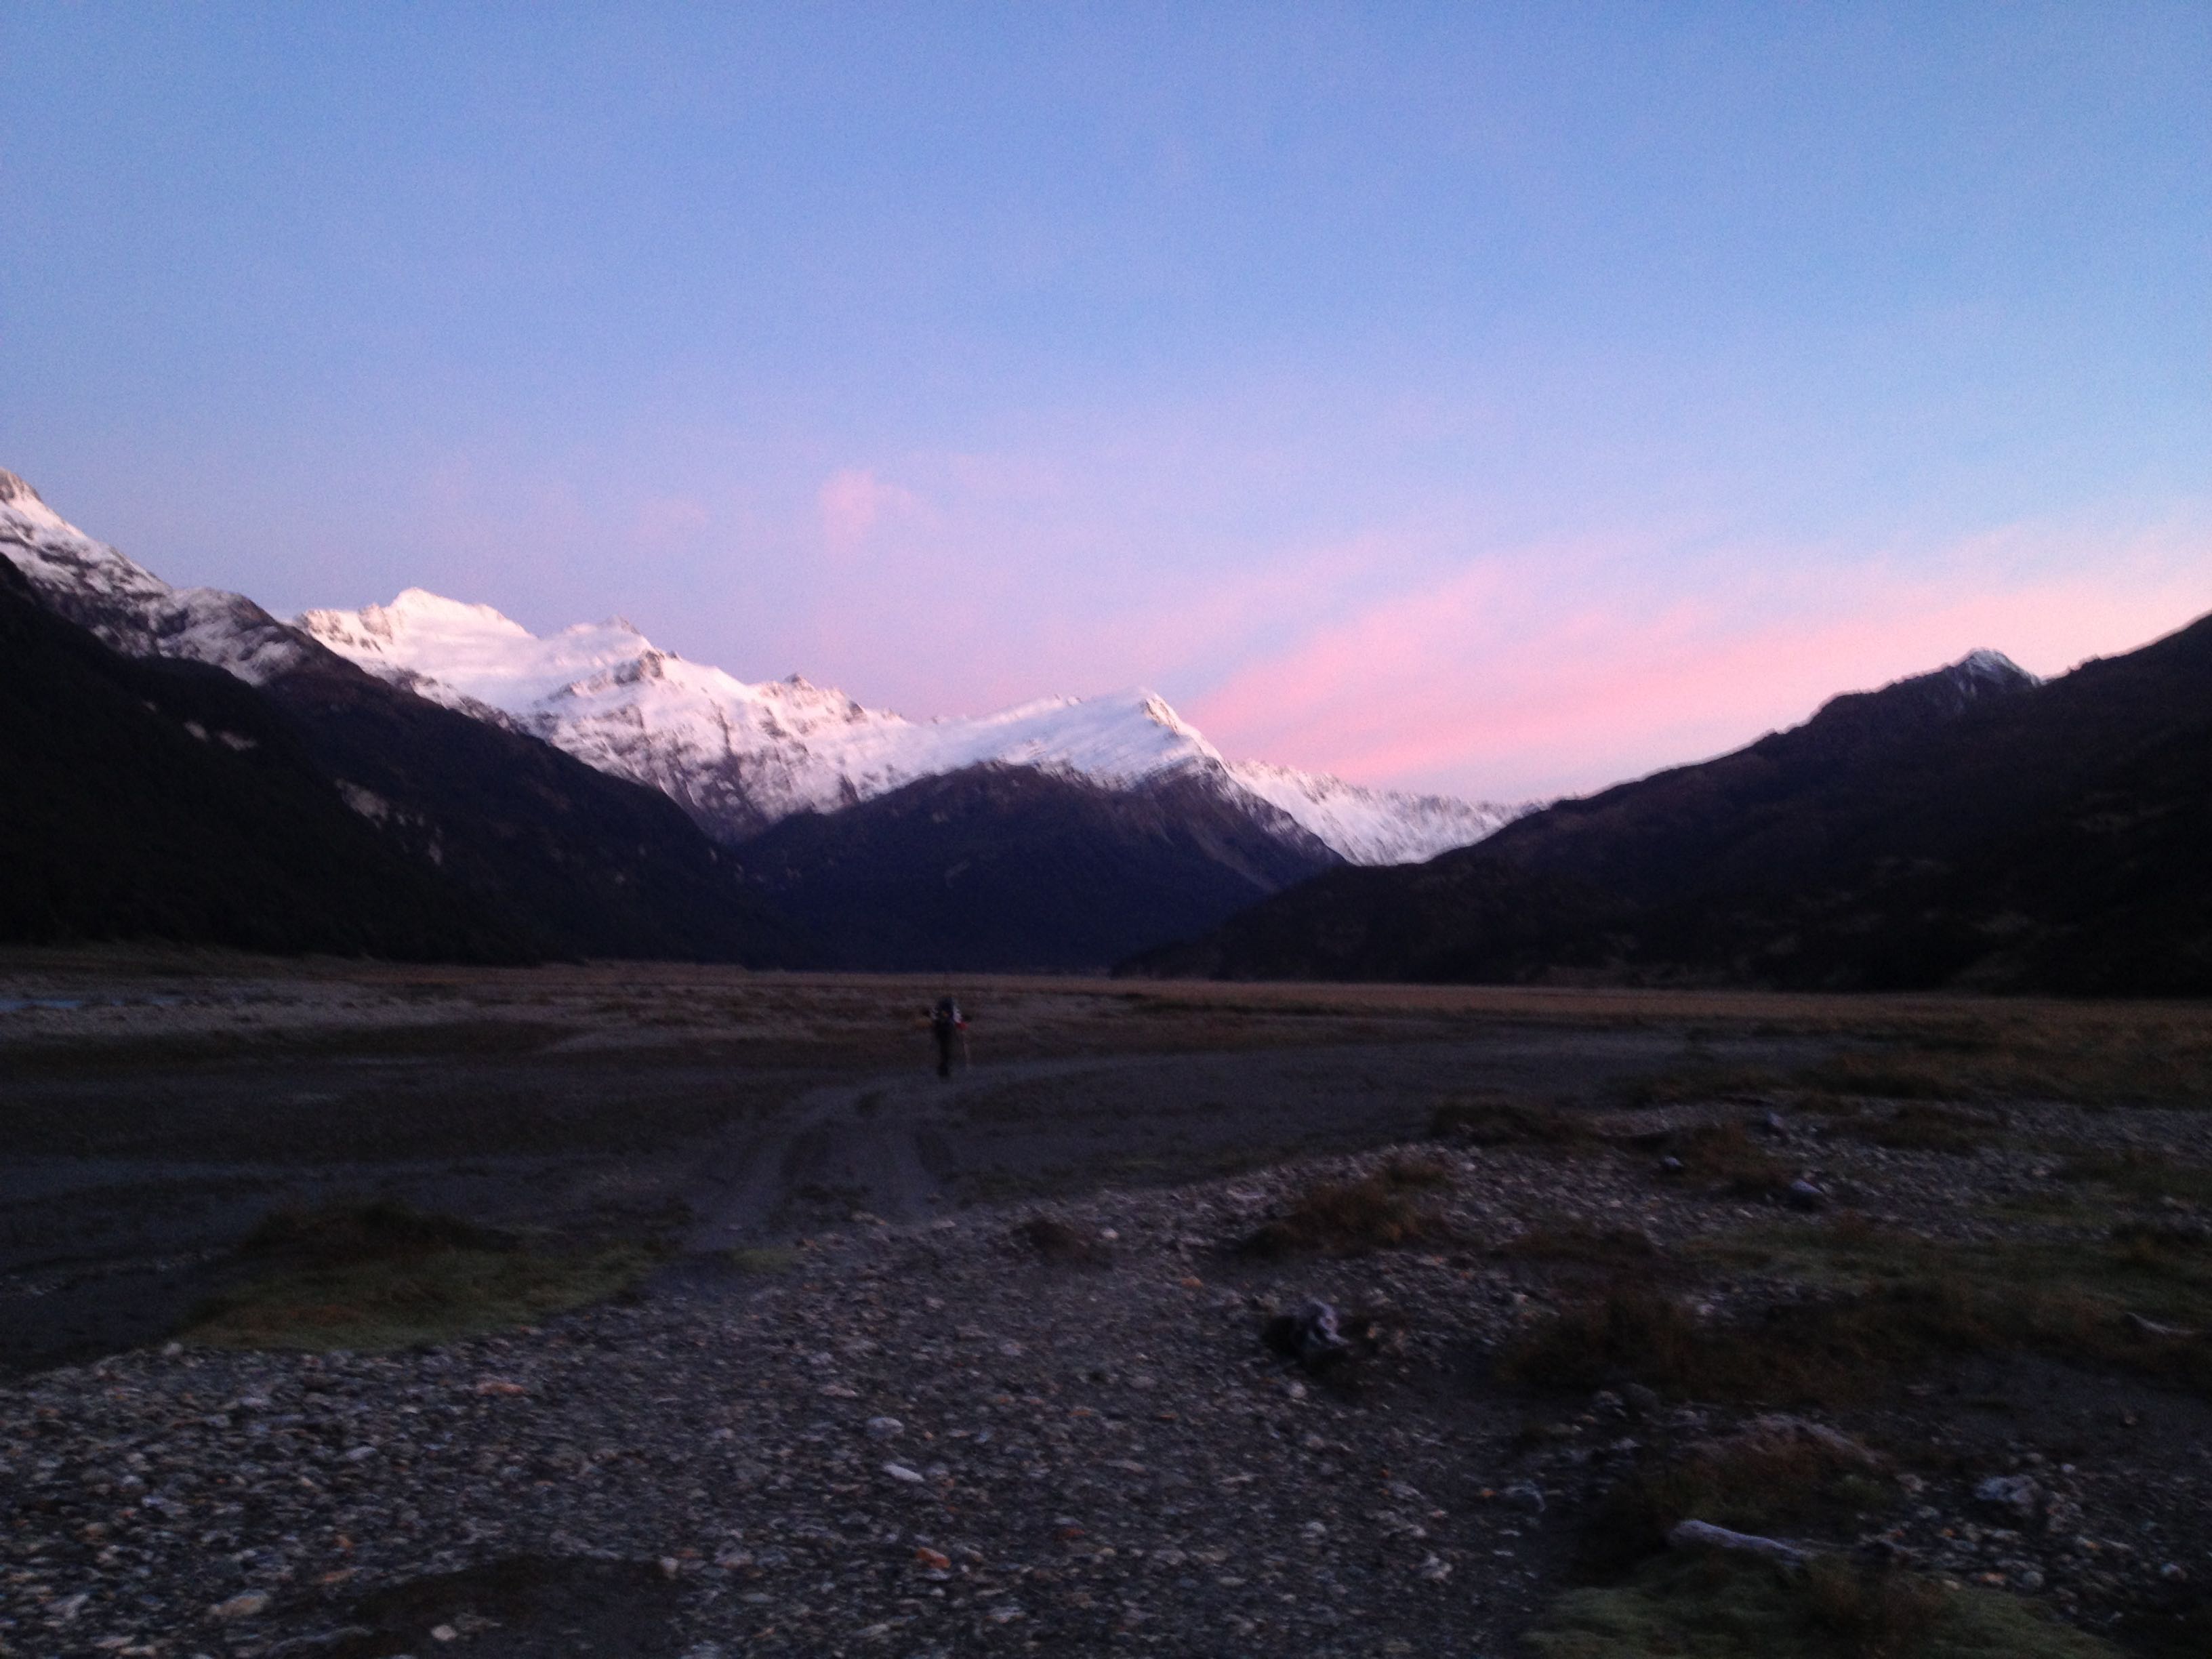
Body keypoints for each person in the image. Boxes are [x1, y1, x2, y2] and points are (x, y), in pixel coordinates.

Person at [928, 996, 967, 1080]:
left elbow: (933, 1018)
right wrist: (962, 1026)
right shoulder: (953, 1007)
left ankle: (942, 1068)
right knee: (947, 1049)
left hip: (938, 1030)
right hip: (948, 1030)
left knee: (943, 1048)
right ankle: (945, 1069)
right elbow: (957, 1020)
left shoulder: (938, 1007)